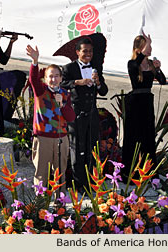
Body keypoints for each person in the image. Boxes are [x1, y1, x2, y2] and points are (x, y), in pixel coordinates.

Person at [61, 38, 108, 192]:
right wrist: (77, 82)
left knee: (92, 148)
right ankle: (78, 183)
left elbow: (104, 91)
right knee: (77, 149)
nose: (88, 54)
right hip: (76, 113)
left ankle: (92, 182)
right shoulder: (69, 68)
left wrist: (99, 82)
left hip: (92, 113)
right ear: (77, 52)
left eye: (90, 51)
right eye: (85, 51)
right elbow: (61, 83)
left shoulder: (96, 67)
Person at [26, 45, 75, 189]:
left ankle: (60, 206)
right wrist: (35, 62)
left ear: (61, 78)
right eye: (50, 76)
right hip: (43, 138)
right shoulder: (41, 91)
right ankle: (40, 205)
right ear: (45, 79)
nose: (53, 79)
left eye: (56, 76)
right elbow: (33, 79)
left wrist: (62, 104)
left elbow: (71, 117)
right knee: (41, 174)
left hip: (61, 138)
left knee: (60, 174)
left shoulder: (65, 94)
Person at [122, 33, 166, 181]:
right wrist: (143, 51)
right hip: (135, 102)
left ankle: (149, 170)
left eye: (150, 46)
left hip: (147, 102)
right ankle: (130, 171)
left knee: (148, 137)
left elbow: (162, 81)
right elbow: (136, 65)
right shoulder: (132, 63)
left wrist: (158, 69)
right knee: (133, 137)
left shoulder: (150, 64)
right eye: (147, 46)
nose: (150, 49)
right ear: (139, 48)